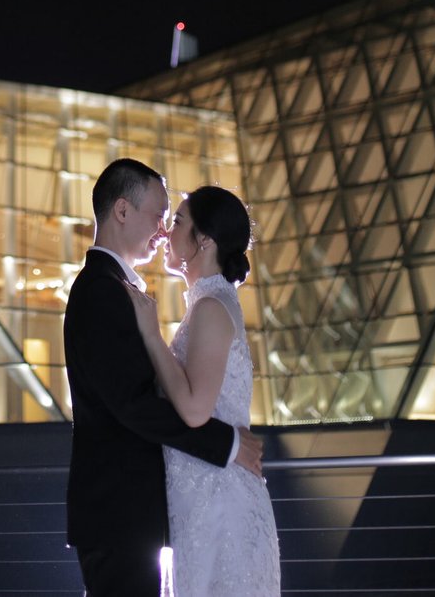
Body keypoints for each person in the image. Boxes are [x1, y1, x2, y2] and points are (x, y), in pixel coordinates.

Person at [64, 158, 264, 596]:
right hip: (119, 509)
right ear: (122, 210)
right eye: (160, 216)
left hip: (137, 511)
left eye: (171, 220)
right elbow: (133, 403)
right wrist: (227, 443)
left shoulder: (118, 289)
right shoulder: (101, 291)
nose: (162, 230)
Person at [125, 184, 282, 597]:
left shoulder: (211, 307)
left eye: (178, 222)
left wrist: (151, 337)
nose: (166, 232)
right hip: (207, 499)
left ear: (205, 240)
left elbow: (195, 409)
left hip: (221, 506)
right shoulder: (208, 303)